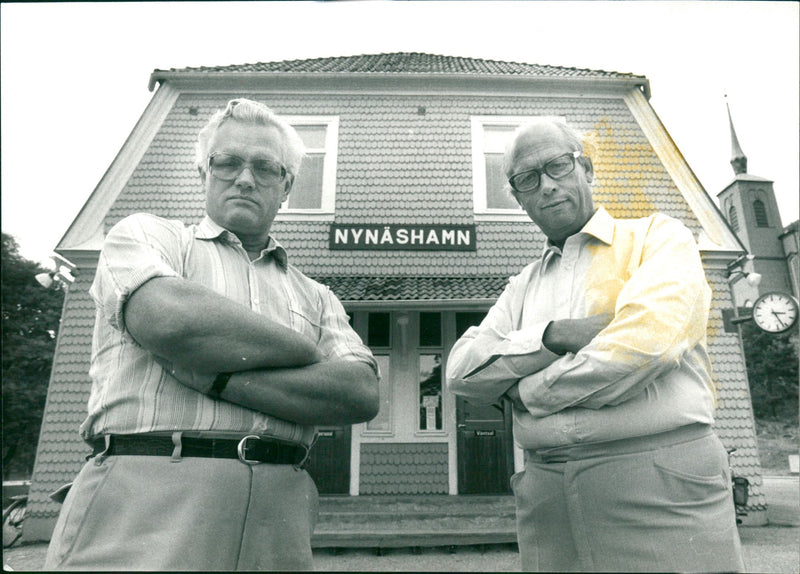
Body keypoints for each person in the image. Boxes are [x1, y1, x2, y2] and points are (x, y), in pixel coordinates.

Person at [44, 98, 380, 571]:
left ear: (286, 186)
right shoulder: (148, 237)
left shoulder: (317, 294)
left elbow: (360, 393)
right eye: (228, 162)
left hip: (279, 516)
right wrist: (304, 353)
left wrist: (222, 380)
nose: (245, 178)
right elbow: (171, 322)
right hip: (148, 501)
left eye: (266, 167)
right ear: (204, 171)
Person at [446, 119, 745, 572]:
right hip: (546, 492)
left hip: (659, 484)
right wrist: (555, 335)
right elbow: (461, 371)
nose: (546, 186)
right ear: (519, 196)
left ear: (586, 169)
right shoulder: (522, 286)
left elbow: (644, 347)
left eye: (558, 167)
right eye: (527, 179)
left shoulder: (657, 239)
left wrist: (524, 391)